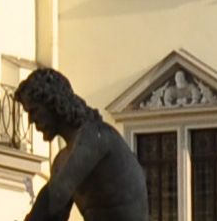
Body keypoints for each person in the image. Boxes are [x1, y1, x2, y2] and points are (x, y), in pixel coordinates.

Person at [14, 69, 150, 221]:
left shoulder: (95, 136)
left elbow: (54, 198)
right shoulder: (62, 161)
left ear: (53, 103)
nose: (31, 120)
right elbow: (53, 214)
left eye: (34, 110)